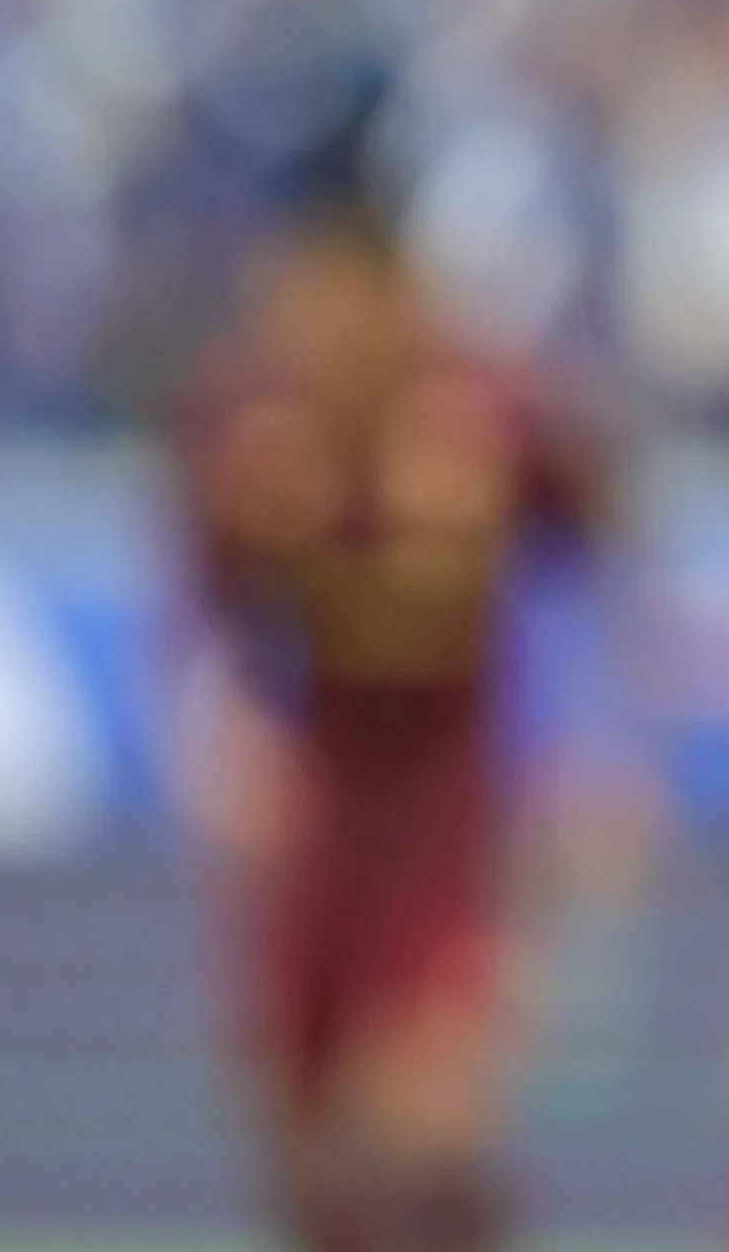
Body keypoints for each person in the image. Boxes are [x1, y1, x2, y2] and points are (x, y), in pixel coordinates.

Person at [175, 201, 611, 1252]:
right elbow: (202, 617)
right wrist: (228, 740)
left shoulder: (491, 415)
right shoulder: (246, 438)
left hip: (448, 796)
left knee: (429, 1114)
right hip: (327, 795)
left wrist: (601, 746)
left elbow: (597, 556)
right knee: (298, 1112)